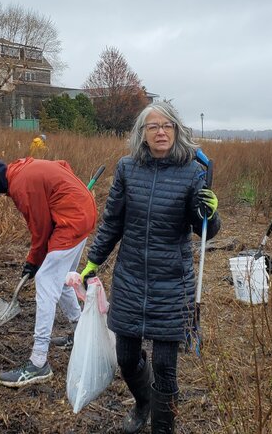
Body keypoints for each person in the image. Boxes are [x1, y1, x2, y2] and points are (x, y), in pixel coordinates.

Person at [78, 102, 220, 434]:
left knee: (165, 366)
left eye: (167, 125)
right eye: (153, 127)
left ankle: (163, 427)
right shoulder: (127, 169)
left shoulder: (192, 172)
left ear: (177, 130)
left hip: (172, 282)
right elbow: (112, 223)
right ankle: (143, 402)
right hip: (130, 279)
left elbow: (205, 231)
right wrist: (92, 262)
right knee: (126, 358)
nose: (160, 132)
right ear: (142, 134)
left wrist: (210, 213)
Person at [0, 155, 97, 388]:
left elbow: (41, 228)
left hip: (72, 221)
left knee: (46, 281)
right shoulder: (21, 169)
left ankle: (38, 363)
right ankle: (80, 332)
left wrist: (33, 262)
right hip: (82, 214)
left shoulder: (21, 185)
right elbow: (63, 165)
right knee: (62, 277)